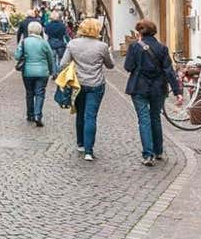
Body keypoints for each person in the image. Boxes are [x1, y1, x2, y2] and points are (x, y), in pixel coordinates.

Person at [124, 19, 183, 166]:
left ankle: (148, 154)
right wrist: (177, 91)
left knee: (144, 119)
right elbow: (169, 71)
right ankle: (158, 151)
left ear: (139, 32)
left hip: (139, 87)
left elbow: (128, 67)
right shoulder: (162, 48)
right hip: (158, 88)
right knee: (155, 117)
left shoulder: (134, 47)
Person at [60, 17, 114, 162]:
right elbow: (110, 65)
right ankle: (89, 151)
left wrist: (74, 68)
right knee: (90, 116)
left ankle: (81, 144)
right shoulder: (101, 46)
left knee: (80, 114)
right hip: (96, 84)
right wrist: (108, 54)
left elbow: (63, 63)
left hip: (78, 84)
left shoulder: (73, 44)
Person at [15, 21, 57, 127]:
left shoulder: (24, 42)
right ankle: (38, 115)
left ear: (29, 30)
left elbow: (17, 56)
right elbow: (50, 58)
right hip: (42, 73)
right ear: (40, 31)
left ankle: (30, 115)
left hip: (27, 72)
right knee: (40, 94)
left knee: (29, 93)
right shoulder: (44, 43)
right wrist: (52, 71)